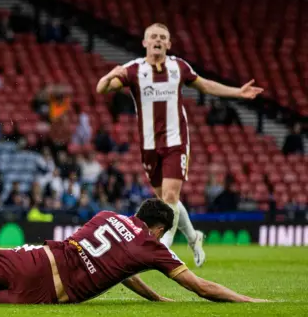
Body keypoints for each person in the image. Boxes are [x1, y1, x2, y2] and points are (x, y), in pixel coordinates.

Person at [0, 199, 266, 305]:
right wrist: (249, 300)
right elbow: (201, 287)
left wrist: (153, 297)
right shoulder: (150, 247)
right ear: (158, 228)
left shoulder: (106, 214)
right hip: (47, 290)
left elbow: (118, 267)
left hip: (36, 256)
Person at [95, 23, 263, 267]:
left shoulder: (178, 67)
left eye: (163, 37)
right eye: (153, 36)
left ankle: (164, 248)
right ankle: (194, 237)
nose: (158, 40)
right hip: (149, 144)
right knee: (165, 198)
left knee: (171, 195)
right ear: (144, 42)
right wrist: (111, 74)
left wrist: (238, 92)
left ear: (169, 44)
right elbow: (101, 90)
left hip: (176, 141)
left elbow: (205, 85)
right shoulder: (133, 70)